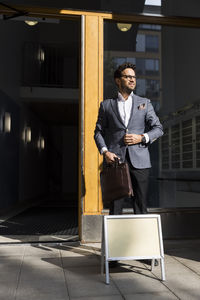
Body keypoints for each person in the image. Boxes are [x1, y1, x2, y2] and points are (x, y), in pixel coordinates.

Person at [94, 62, 163, 215]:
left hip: (140, 163)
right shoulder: (106, 105)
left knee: (140, 207)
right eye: (128, 77)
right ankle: (116, 239)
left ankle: (140, 238)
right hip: (116, 162)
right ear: (118, 80)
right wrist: (105, 152)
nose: (132, 80)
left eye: (134, 77)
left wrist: (142, 137)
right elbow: (98, 132)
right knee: (115, 208)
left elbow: (158, 129)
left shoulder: (144, 103)